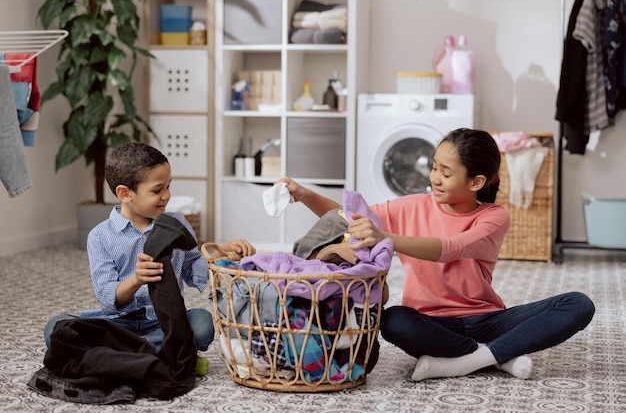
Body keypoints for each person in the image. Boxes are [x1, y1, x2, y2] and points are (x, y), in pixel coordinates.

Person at [277, 128, 595, 381]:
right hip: (431, 323)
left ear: (476, 182)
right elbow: (350, 216)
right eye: (433, 167)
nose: (435, 177)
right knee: (394, 320)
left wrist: (385, 237)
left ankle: (465, 361)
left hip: (488, 318)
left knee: (578, 304)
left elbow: (450, 249)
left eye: (446, 171)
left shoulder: (494, 217)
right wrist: (305, 195)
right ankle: (496, 357)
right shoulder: (413, 205)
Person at [43, 142, 255, 371]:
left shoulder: (177, 224)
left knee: (202, 322)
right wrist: (136, 280)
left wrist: (223, 252)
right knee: (56, 327)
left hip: (163, 322)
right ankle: (164, 355)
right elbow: (107, 297)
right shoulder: (100, 236)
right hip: (117, 324)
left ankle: (125, 358)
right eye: (157, 190)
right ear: (125, 193)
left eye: (168, 187)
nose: (166, 196)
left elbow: (196, 271)